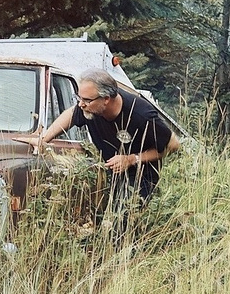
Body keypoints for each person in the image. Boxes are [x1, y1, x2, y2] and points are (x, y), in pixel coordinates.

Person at [16, 68, 180, 206]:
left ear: (106, 99)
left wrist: (131, 159)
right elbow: (72, 114)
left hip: (140, 175)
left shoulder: (141, 115)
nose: (81, 104)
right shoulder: (89, 106)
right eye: (79, 98)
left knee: (122, 219)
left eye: (86, 100)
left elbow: (172, 145)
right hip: (110, 170)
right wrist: (44, 139)